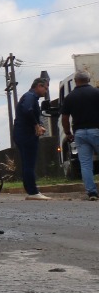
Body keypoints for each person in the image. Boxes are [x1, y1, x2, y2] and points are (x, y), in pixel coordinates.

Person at [59, 69, 99, 201]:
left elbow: (64, 118)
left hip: (80, 133)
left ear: (76, 81)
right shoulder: (96, 93)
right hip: (96, 130)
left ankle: (92, 192)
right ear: (88, 79)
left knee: (86, 164)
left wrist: (68, 133)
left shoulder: (70, 97)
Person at [14, 76, 51, 199]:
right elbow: (27, 110)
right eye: (45, 88)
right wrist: (36, 125)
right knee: (29, 163)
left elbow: (29, 111)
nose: (46, 91)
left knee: (27, 163)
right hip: (26, 134)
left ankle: (30, 190)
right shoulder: (30, 97)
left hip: (21, 133)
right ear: (39, 86)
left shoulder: (29, 97)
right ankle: (33, 191)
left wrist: (40, 125)